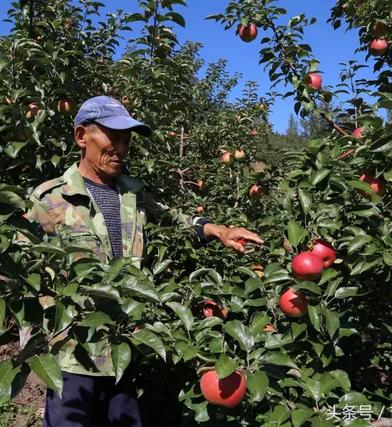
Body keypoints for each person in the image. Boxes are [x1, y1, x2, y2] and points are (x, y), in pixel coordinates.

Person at [27, 95, 263, 427]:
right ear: (82, 136)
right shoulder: (49, 199)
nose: (121, 148)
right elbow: (16, 264)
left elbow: (174, 218)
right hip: (73, 356)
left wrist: (218, 230)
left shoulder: (131, 194)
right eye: (113, 136)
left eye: (127, 139)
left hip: (125, 348)